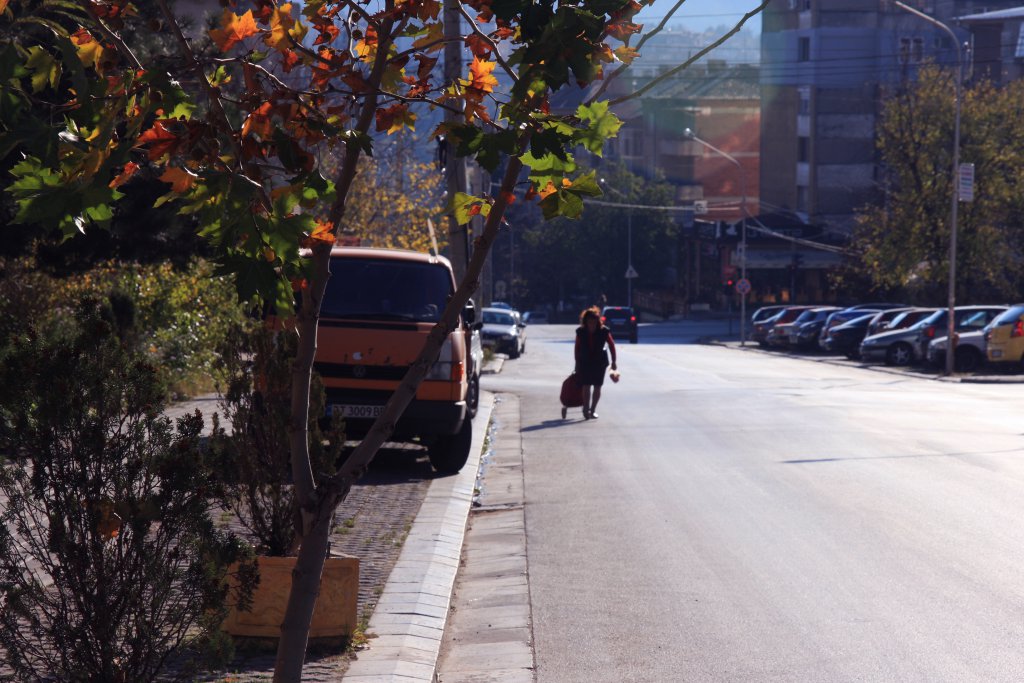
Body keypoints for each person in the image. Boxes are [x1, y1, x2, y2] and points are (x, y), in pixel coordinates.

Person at [574, 306, 617, 420]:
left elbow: (611, 345)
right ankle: (585, 408)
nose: (592, 324)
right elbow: (577, 348)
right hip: (585, 362)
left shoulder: (604, 331)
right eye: (589, 322)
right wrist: (577, 363)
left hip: (600, 362)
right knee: (586, 385)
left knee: (597, 386)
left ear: (598, 321)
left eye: (594, 322)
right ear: (585, 321)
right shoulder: (580, 332)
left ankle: (592, 410)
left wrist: (614, 361)